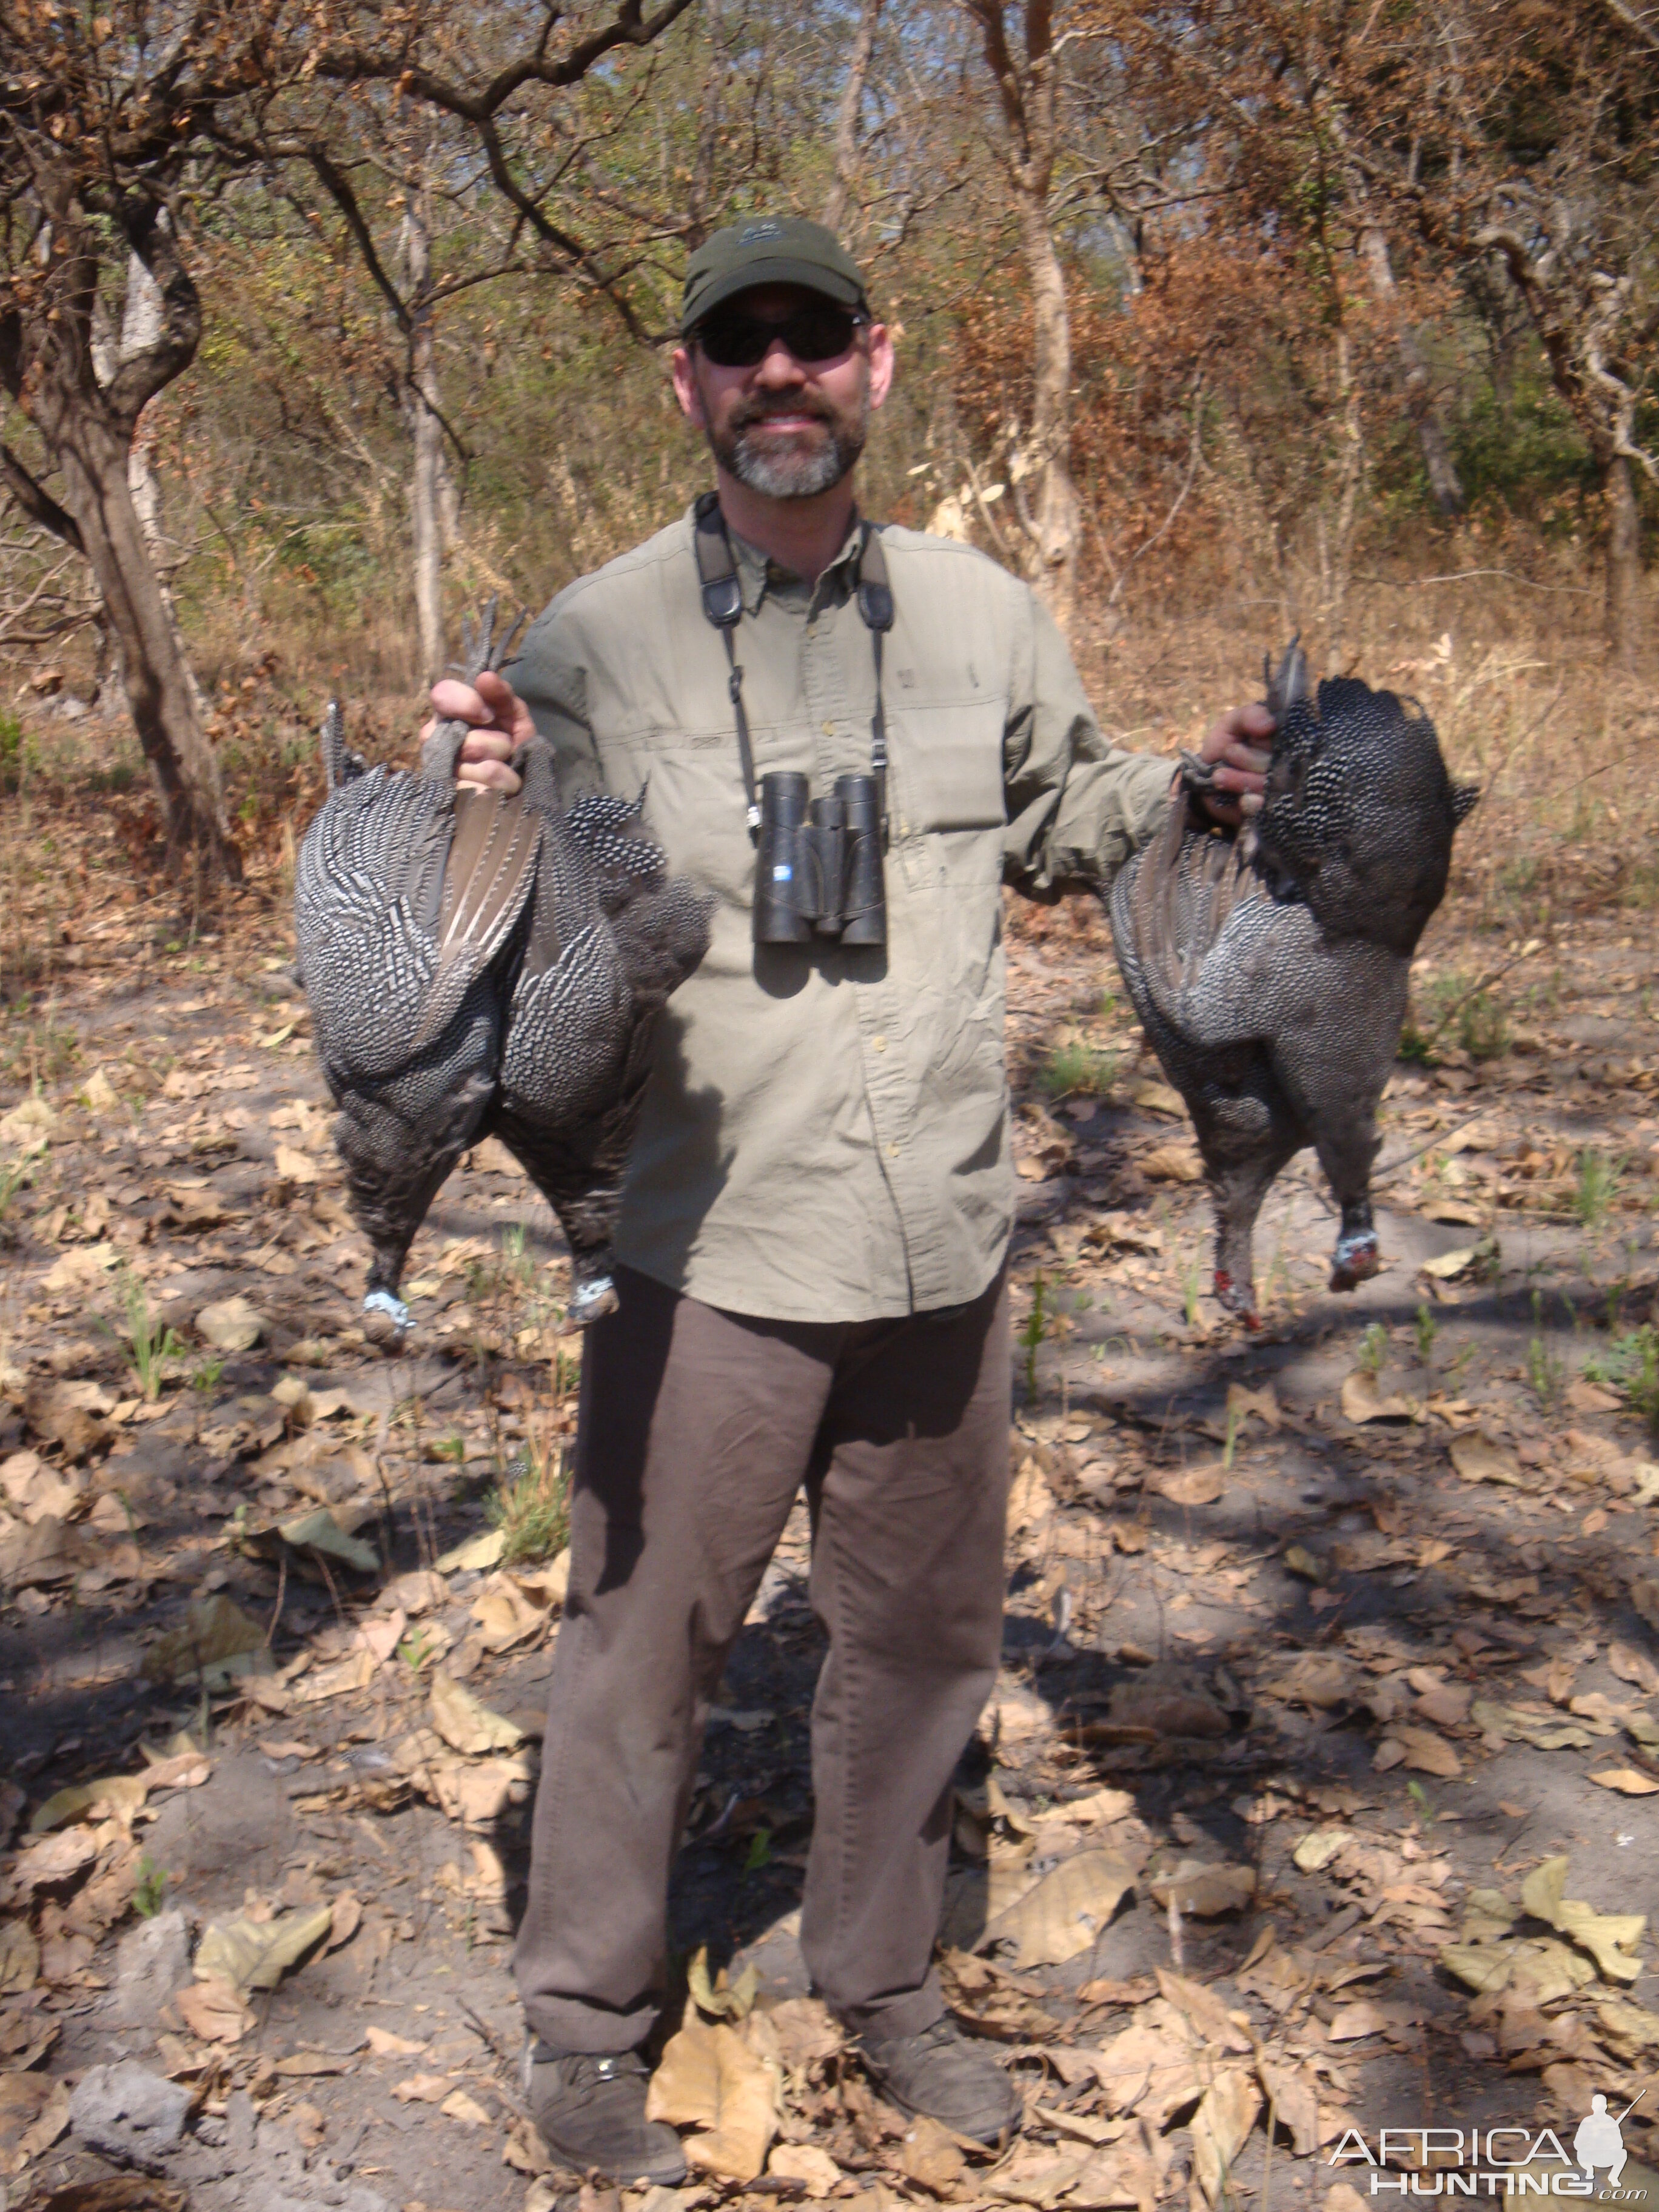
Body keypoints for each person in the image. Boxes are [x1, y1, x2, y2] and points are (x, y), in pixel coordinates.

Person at [427, 215, 1270, 2185]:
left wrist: (1201, 788)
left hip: (941, 1242)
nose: (782, 378)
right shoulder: (593, 637)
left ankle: (885, 1983)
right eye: (745, 349)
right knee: (644, 1650)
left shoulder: (982, 617)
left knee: (920, 1641)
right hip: (708, 1241)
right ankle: (585, 2018)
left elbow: (1073, 815)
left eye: (816, 344)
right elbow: (500, 879)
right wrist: (465, 789)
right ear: (689, 385)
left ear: (877, 368)